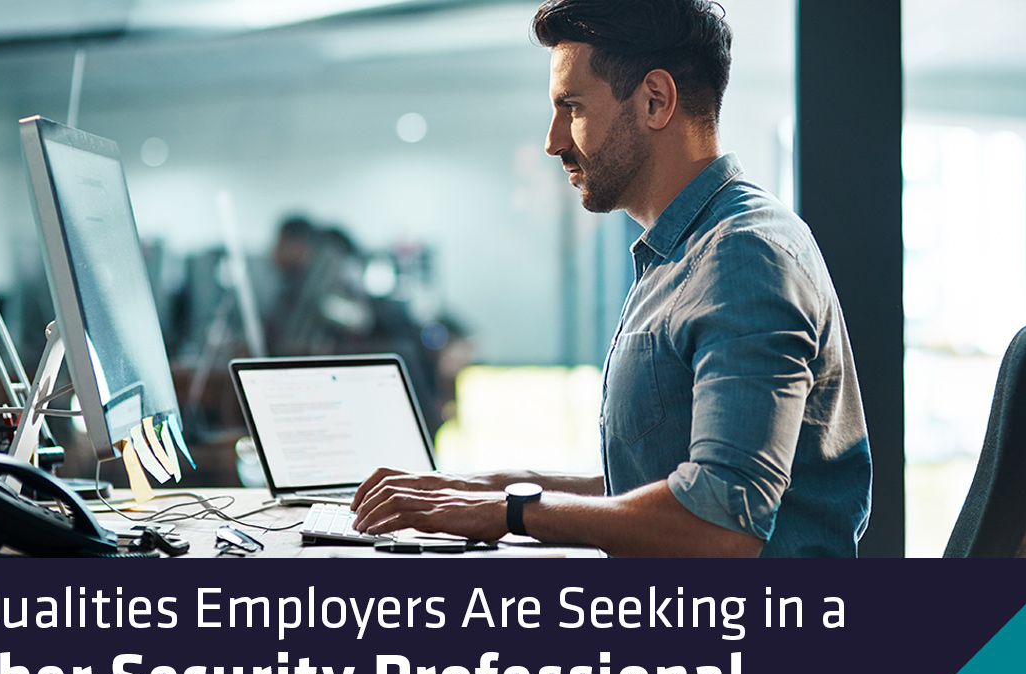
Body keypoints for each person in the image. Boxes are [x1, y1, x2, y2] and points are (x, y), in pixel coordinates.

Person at [351, 0, 871, 558]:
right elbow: (664, 486)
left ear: (655, 100)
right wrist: (496, 487)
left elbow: (720, 523)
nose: (553, 141)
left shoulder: (743, 257)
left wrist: (513, 512)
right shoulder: (681, 254)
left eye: (570, 107)